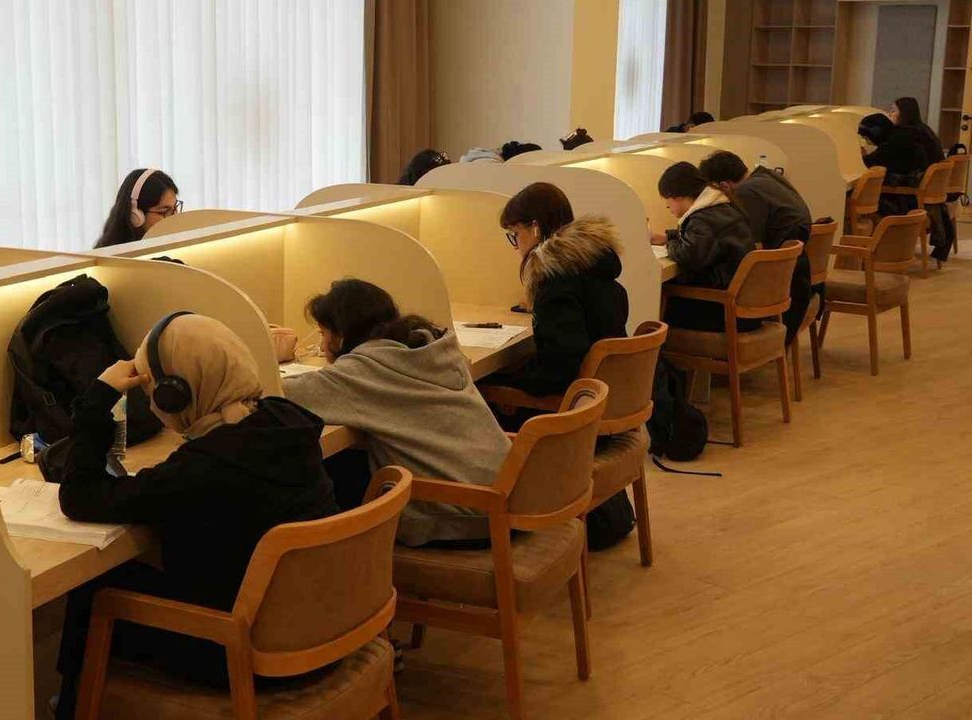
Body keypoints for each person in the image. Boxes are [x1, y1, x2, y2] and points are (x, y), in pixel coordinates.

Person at [52, 313, 338, 719]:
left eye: (154, 391)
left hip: (240, 651)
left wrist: (98, 398)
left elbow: (80, 497)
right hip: (321, 631)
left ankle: (75, 708)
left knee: (95, 588)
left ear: (175, 396)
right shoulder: (286, 422)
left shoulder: (202, 469)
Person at [282, 279, 511, 547]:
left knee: (321, 476)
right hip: (507, 496)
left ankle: (342, 567)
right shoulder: (435, 350)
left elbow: (280, 394)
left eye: (323, 334)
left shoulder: (364, 372)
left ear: (342, 335)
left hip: (464, 517)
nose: (322, 347)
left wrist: (273, 355)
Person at [492, 183, 629, 397]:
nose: (515, 245)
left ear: (535, 228)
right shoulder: (591, 266)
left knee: (485, 389)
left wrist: (509, 378)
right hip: (612, 388)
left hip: (580, 401)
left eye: (515, 234)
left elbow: (559, 368)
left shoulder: (556, 282)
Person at [699, 150, 812, 344]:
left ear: (724, 185)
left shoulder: (746, 192)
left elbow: (753, 249)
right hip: (794, 278)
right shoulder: (768, 176)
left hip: (775, 288)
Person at [652, 161, 756, 332]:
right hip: (744, 304)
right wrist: (669, 236)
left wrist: (670, 243)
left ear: (677, 196)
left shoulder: (702, 218)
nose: (668, 207)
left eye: (668, 201)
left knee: (660, 300)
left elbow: (688, 256)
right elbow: (706, 238)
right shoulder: (721, 206)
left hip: (721, 309)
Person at [887, 96, 955, 264]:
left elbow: (890, 162)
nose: (890, 114)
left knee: (872, 198)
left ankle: (881, 250)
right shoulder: (925, 130)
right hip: (928, 195)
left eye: (893, 111)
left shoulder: (906, 135)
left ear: (904, 114)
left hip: (914, 196)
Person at [95, 168, 181, 248]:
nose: (174, 218)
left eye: (175, 208)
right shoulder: (110, 255)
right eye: (164, 212)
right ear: (136, 216)